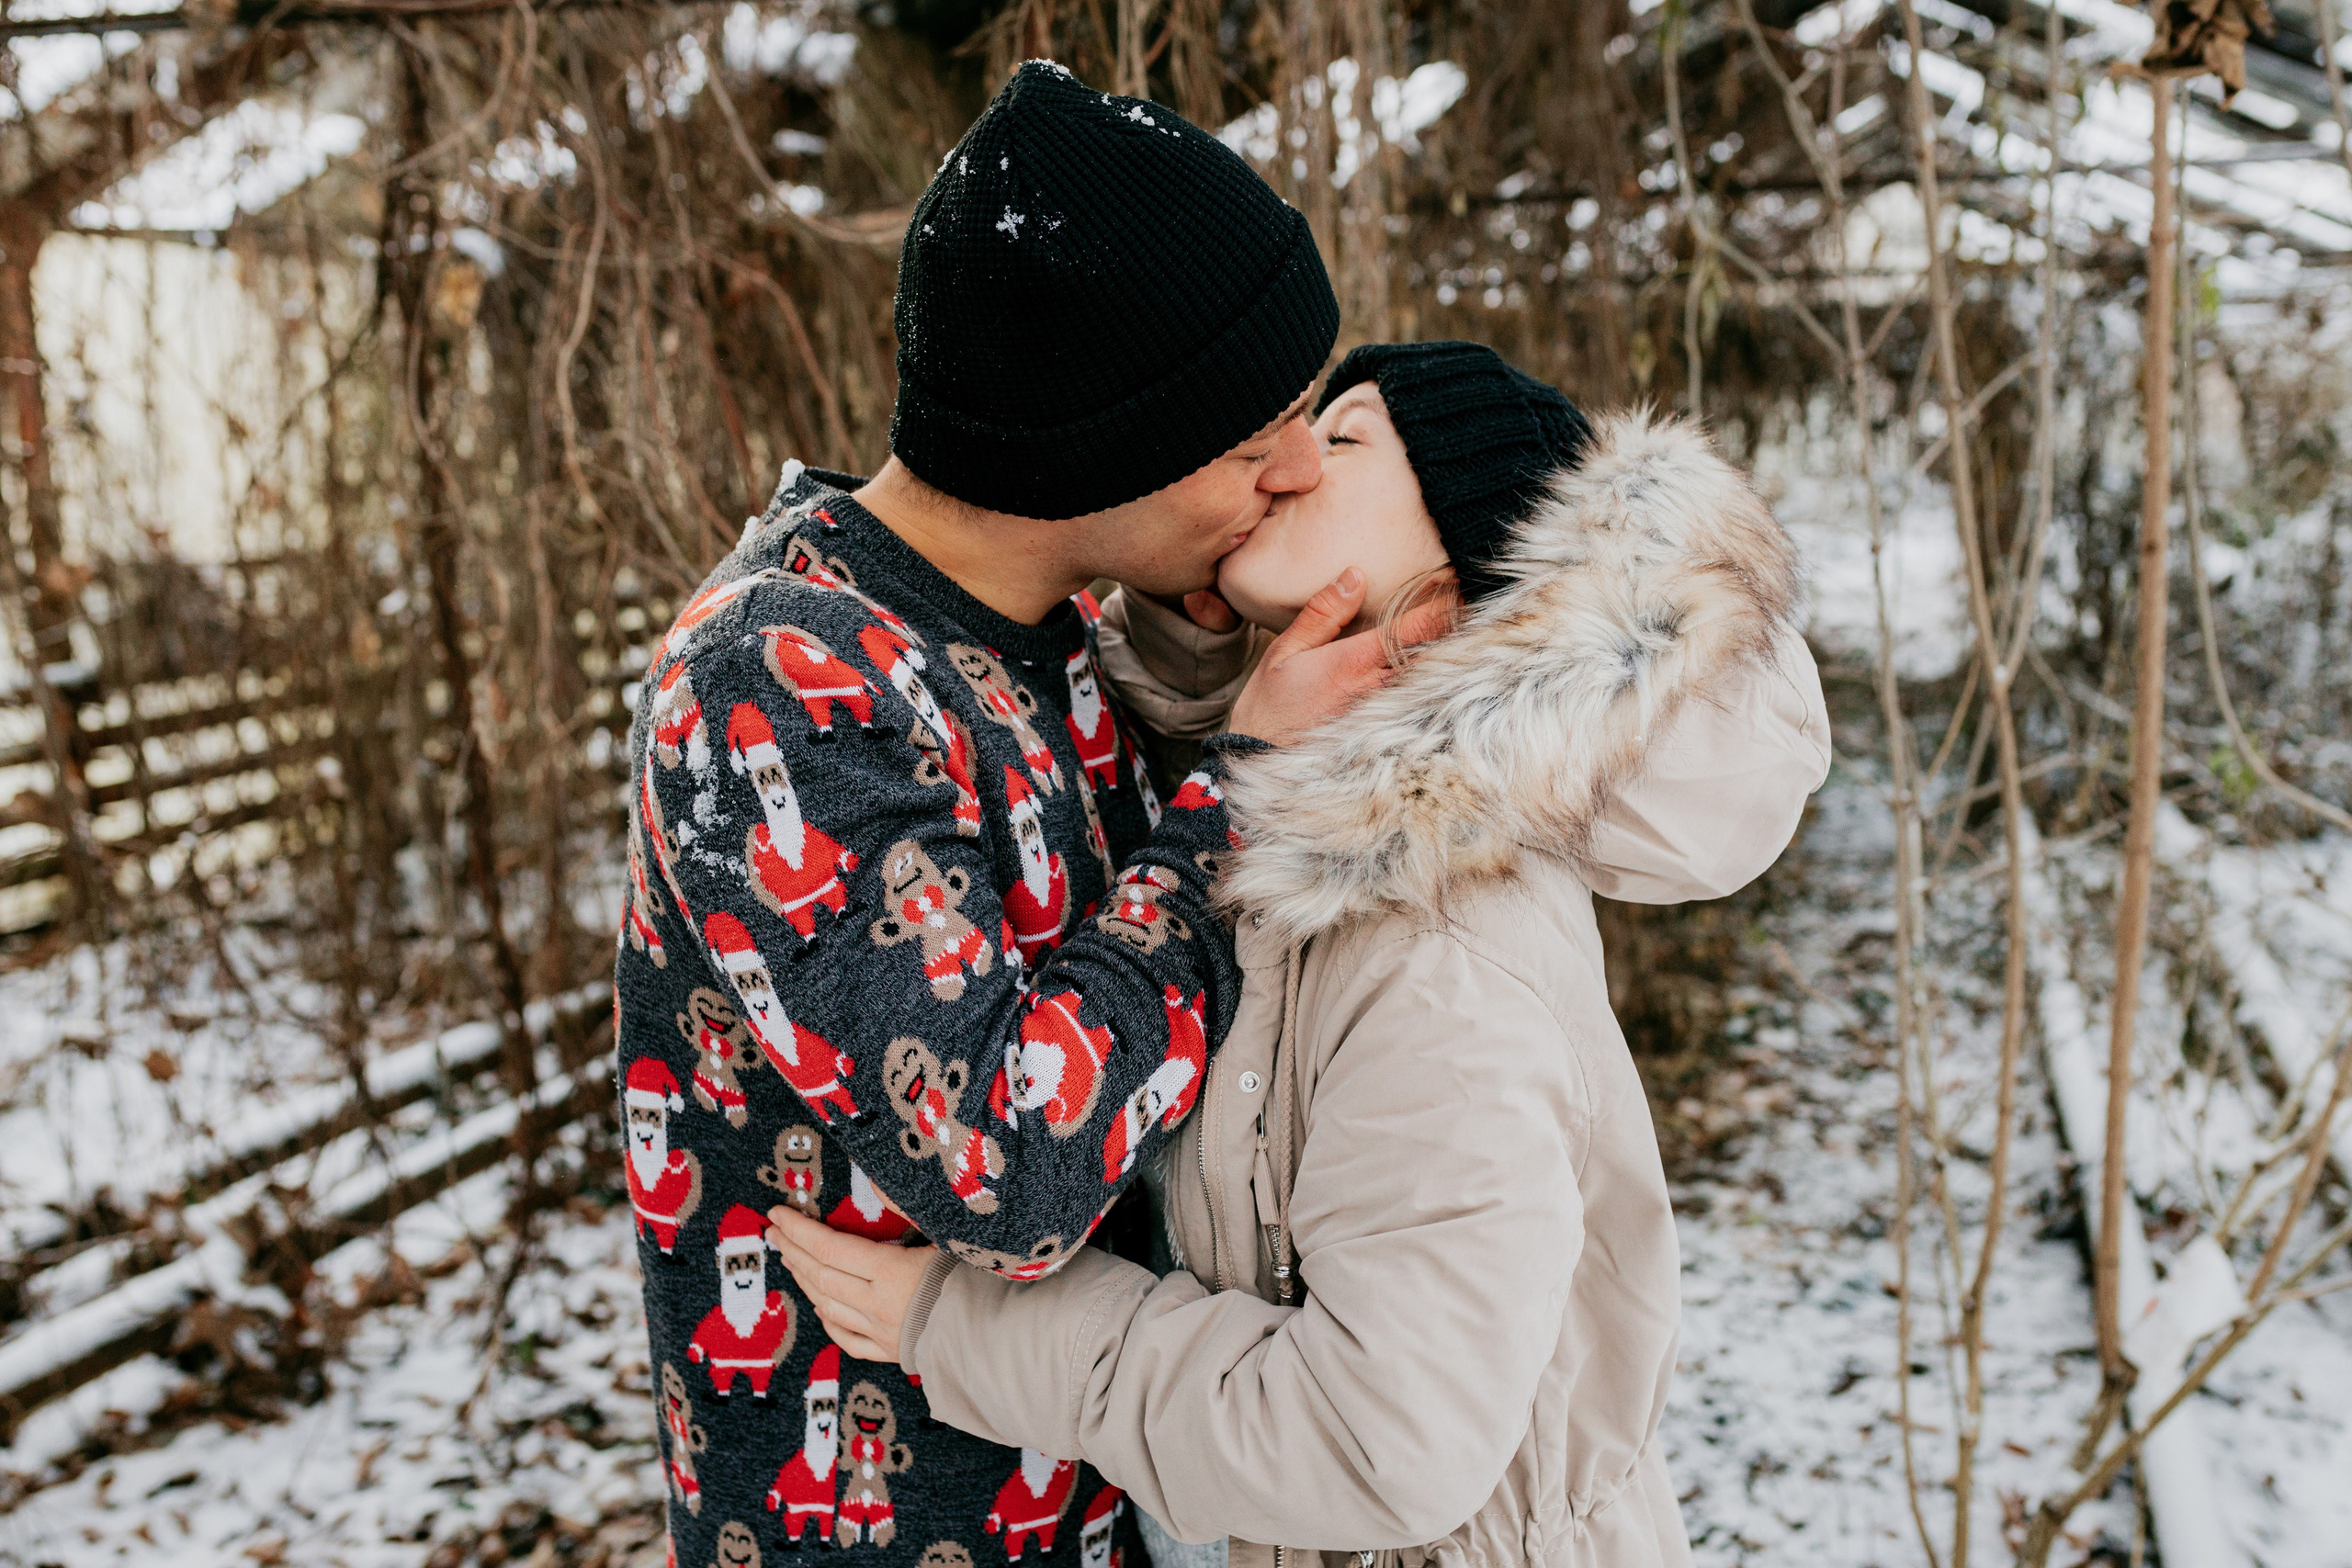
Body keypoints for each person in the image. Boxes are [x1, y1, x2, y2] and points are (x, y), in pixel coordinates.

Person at [764, 342, 1833, 1568]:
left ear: (1456, 587)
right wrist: (1189, 629)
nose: (1282, 465)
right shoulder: (1307, 828)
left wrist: (967, 1334)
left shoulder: (1439, 942)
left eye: (1344, 439)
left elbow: (1376, 1441)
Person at [616, 62, 1431, 1568]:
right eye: (1256, 432)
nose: (1303, 465)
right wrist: (1240, 789)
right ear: (1093, 443)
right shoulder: (776, 689)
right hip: (888, 1525)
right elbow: (1016, 1164)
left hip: (1103, 1493)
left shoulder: (1022, 631)